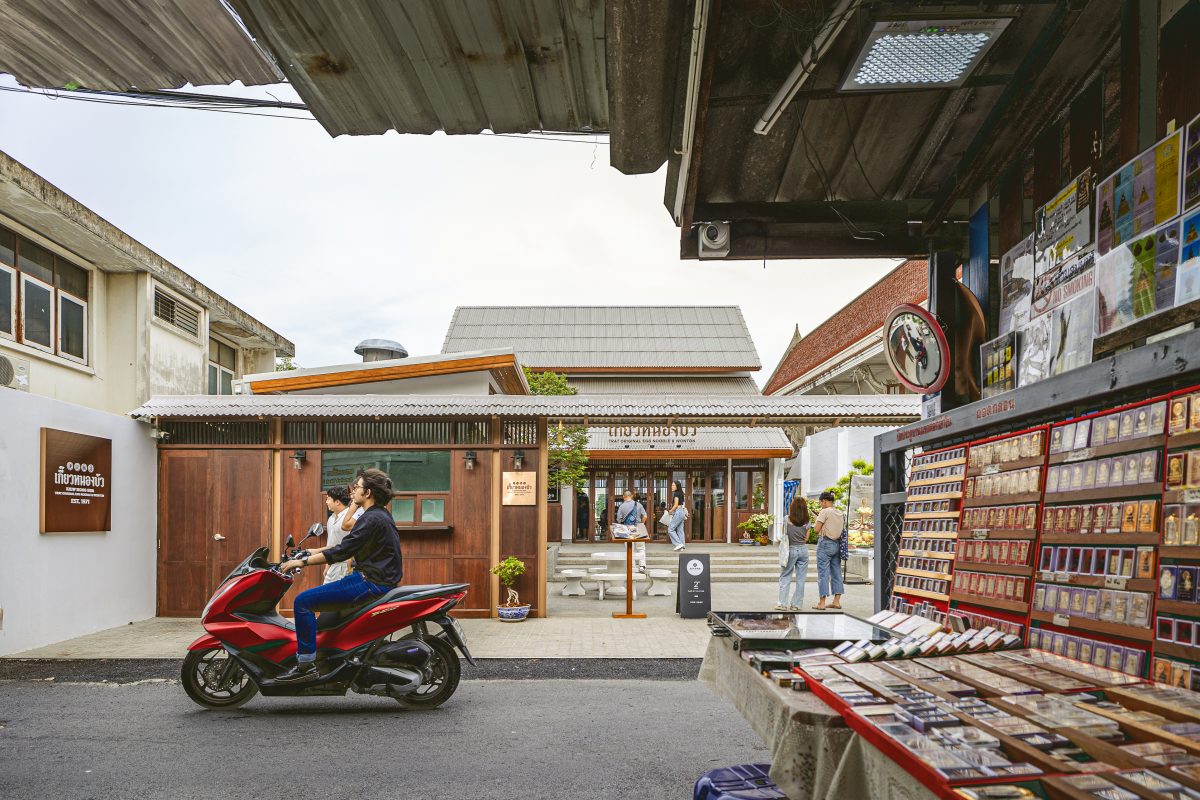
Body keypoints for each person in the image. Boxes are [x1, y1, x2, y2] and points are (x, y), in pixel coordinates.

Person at [277, 468, 403, 681]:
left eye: (357, 487)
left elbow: (341, 551)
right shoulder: (378, 516)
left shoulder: (371, 519)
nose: (353, 491)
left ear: (368, 493)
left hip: (370, 583)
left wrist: (302, 561)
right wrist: (311, 552)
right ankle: (330, 659)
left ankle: (305, 665)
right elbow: (343, 547)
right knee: (324, 620)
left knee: (302, 602)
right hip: (371, 579)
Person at [322, 485, 363, 584]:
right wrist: (327, 565)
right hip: (333, 563)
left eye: (328, 499)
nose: (326, 502)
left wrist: (349, 564)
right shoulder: (331, 518)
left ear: (337, 502)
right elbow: (330, 543)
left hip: (345, 565)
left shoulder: (350, 518)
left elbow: (355, 542)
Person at [811, 491, 845, 610]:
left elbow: (816, 529)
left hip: (825, 543)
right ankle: (836, 601)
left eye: (821, 502)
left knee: (823, 574)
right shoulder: (840, 512)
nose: (820, 505)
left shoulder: (824, 511)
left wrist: (816, 521)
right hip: (837, 544)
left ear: (824, 501)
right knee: (836, 573)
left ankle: (822, 603)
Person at [776, 497, 810, 611]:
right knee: (801, 579)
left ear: (793, 507)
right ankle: (796, 605)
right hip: (803, 551)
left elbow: (783, 534)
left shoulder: (787, 519)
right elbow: (806, 539)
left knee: (785, 576)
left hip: (790, 550)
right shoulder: (807, 521)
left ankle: (782, 604)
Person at [616, 489, 648, 571]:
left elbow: (619, 520)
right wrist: (641, 524)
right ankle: (642, 566)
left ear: (624, 497)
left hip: (627, 530)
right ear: (632, 496)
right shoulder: (639, 505)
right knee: (641, 548)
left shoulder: (621, 506)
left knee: (630, 549)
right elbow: (645, 516)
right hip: (638, 528)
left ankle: (632, 567)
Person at [667, 480, 687, 551]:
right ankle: (682, 546)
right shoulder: (681, 493)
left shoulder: (676, 493)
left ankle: (678, 544)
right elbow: (682, 505)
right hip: (681, 512)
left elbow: (675, 505)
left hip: (678, 512)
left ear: (677, 486)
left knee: (670, 529)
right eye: (672, 485)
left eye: (673, 485)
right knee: (680, 530)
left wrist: (670, 511)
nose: (671, 486)